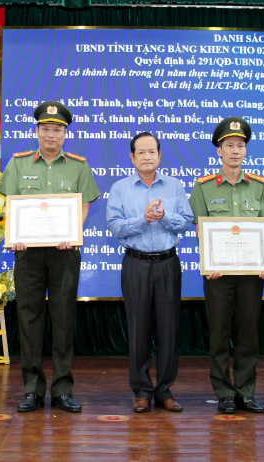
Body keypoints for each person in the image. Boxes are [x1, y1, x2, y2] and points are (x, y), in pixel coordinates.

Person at [0, 101, 100, 413]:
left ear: (65, 133)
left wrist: (73, 232)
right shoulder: (18, 164)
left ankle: (63, 390)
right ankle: (32, 390)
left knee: (64, 319)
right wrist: (13, 235)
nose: (51, 133)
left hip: (64, 253)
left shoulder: (79, 166)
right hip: (27, 254)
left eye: (57, 128)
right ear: (37, 131)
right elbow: (10, 205)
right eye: (45, 128)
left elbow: (83, 205)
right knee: (28, 320)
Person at [189, 117, 264, 414]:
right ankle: (224, 392)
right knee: (219, 334)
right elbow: (202, 231)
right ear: (219, 151)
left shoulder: (260, 187)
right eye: (229, 145)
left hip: (253, 274)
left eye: (240, 146)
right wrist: (208, 262)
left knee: (249, 333)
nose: (235, 151)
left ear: (246, 150)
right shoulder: (202, 188)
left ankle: (246, 391)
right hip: (219, 273)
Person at [106, 132, 194, 413]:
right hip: (136, 263)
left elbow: (186, 222)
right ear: (131, 157)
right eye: (141, 152)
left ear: (160, 155)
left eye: (152, 151)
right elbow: (115, 226)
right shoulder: (120, 188)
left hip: (168, 263)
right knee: (138, 328)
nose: (147, 157)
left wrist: (164, 216)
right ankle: (142, 391)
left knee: (169, 329)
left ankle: (165, 390)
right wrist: (143, 219)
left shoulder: (175, 186)